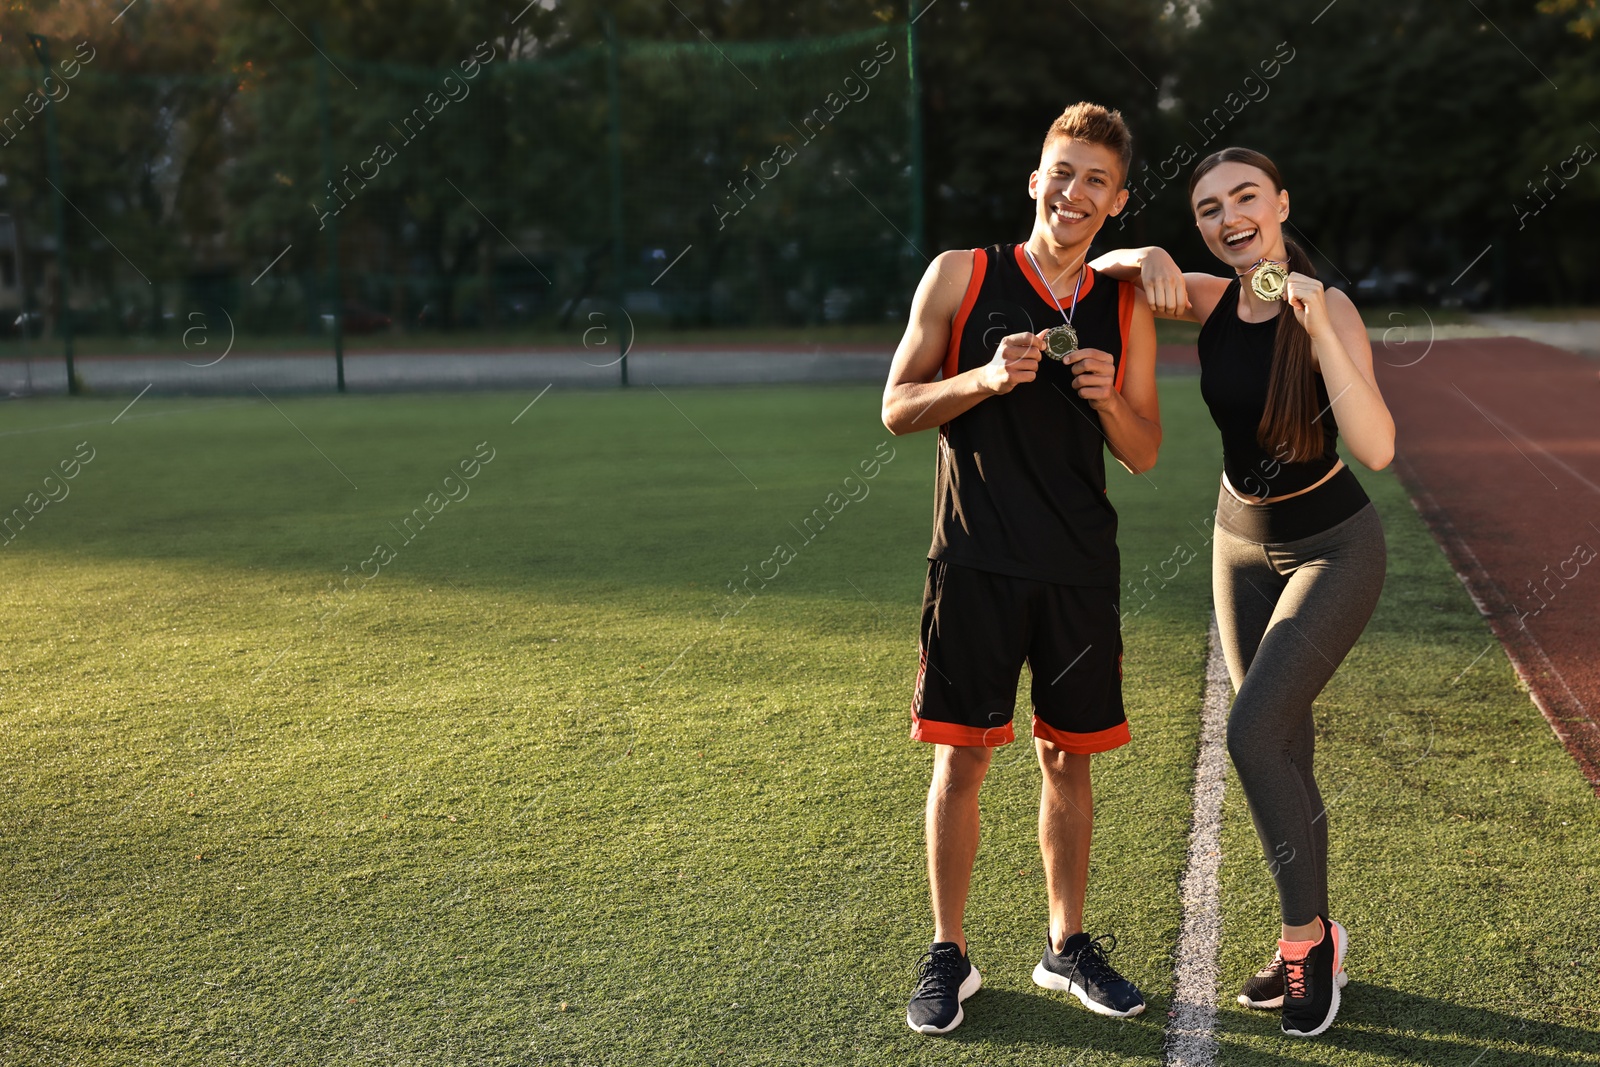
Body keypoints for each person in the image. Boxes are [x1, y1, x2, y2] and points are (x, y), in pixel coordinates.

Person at [1092, 146, 1395, 1038]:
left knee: (1250, 729)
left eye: (1246, 198)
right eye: (1208, 209)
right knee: (1281, 748)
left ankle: (1305, 944)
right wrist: (1145, 258)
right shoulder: (1212, 295)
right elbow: (1108, 263)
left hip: (1333, 547)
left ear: (1281, 203)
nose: (1229, 218)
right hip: (1238, 545)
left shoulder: (1326, 305)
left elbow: (1375, 446)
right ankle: (1314, 933)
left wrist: (1320, 326)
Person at [881, 101, 1162, 1036]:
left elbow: (1146, 450)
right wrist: (986, 380)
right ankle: (948, 953)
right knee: (961, 757)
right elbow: (896, 407)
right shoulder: (962, 275)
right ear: (1034, 179)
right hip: (974, 558)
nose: (1074, 192)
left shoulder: (1121, 305)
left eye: (1096, 180)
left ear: (1117, 202)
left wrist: (1112, 399)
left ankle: (1065, 944)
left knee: (1067, 758)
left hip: (1079, 566)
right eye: (1062, 171)